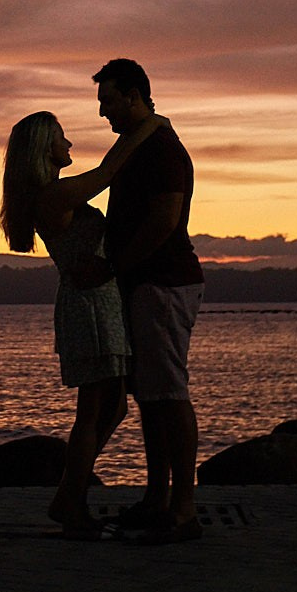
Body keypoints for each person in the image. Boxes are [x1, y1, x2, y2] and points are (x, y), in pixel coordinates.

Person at [0, 106, 163, 539]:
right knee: (92, 412)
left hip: (98, 300)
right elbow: (107, 173)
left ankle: (67, 495)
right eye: (60, 136)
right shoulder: (52, 195)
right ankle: (71, 502)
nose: (68, 143)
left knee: (114, 406)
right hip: (89, 305)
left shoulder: (54, 194)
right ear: (43, 148)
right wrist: (148, 126)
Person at [92, 57, 204, 544]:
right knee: (152, 396)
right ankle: (158, 499)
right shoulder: (140, 144)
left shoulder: (159, 149)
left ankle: (183, 509)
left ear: (133, 96)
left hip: (163, 284)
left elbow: (164, 220)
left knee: (169, 393)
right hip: (147, 284)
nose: (103, 112)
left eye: (108, 100)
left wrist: (116, 267)